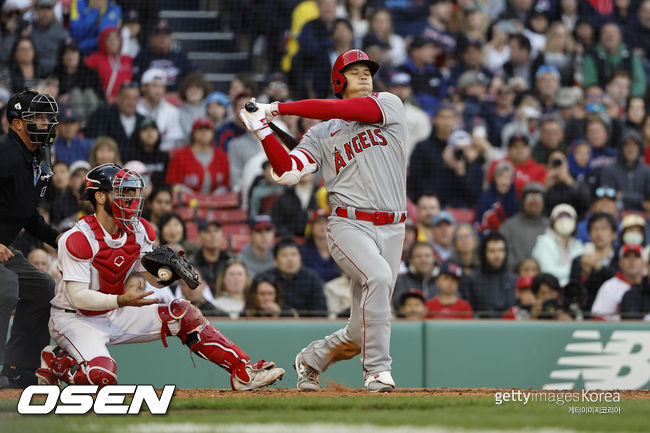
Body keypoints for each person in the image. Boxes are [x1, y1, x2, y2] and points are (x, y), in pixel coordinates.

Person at [239, 49, 407, 392]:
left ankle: (311, 360)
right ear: (338, 81)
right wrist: (264, 132)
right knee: (377, 276)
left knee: (362, 331)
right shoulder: (320, 134)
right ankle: (377, 371)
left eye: (367, 71)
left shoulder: (388, 104)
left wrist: (278, 109)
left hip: (394, 227)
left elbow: (337, 108)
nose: (364, 76)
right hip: (348, 224)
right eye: (355, 71)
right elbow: (286, 172)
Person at [34, 163, 285, 390]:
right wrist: (121, 300)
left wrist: (169, 274)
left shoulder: (140, 228)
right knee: (103, 377)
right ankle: (56, 360)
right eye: (123, 192)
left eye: (133, 192)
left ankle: (243, 371)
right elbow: (78, 298)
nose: (131, 199)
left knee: (183, 313)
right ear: (100, 197)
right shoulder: (76, 239)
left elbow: (152, 277)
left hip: (114, 310)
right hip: (74, 319)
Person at [0, 90, 60, 389]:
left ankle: (17, 368)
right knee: (6, 286)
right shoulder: (5, 154)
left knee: (42, 287)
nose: (46, 122)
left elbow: (28, 215)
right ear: (17, 123)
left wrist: (61, 240)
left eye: (48, 117)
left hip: (5, 250)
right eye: (37, 117)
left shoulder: (38, 156)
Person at [261, 237, 327, 317]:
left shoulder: (312, 278)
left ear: (300, 258)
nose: (290, 259)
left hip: (306, 326)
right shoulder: (267, 279)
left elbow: (321, 312)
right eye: (284, 255)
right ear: (275, 261)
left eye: (294, 254)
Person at [460, 231, 518, 318]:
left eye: (501, 250)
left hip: (511, 328)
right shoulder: (471, 280)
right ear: (484, 253)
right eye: (492, 251)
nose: (497, 255)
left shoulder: (515, 280)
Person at [165, 118, 229, 195]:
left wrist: (211, 199)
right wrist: (195, 198)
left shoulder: (222, 155)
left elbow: (226, 184)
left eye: (207, 130)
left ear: (213, 133)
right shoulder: (180, 155)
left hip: (217, 202)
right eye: (200, 129)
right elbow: (174, 184)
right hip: (187, 202)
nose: (204, 133)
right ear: (193, 134)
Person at [132, 19, 195, 92]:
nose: (162, 38)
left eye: (166, 35)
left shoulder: (181, 57)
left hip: (176, 98)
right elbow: (136, 81)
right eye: (158, 35)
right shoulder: (142, 57)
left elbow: (193, 77)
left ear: (171, 39)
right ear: (151, 39)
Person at [531, 203, 584, 285]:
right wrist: (575, 269)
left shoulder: (578, 244)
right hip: (550, 287)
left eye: (569, 216)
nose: (565, 220)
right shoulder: (544, 241)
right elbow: (548, 271)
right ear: (553, 221)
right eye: (560, 216)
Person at [85, 82, 144, 153]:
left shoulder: (142, 121)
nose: (131, 102)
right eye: (127, 97)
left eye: (135, 98)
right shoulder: (102, 115)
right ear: (118, 98)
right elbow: (95, 142)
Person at [591, 244, 644, 321]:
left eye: (636, 257)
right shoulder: (609, 286)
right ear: (620, 262)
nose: (632, 261)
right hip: (616, 331)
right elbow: (598, 318)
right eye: (627, 257)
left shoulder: (647, 285)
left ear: (643, 262)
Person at [136, 68, 183, 152]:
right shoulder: (134, 108)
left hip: (163, 157)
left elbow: (174, 140)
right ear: (143, 87)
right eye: (154, 86)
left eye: (162, 87)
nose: (159, 91)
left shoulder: (172, 111)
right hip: (137, 154)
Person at [84, 26, 133, 103]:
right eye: (109, 38)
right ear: (103, 41)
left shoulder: (127, 59)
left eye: (116, 38)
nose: (113, 41)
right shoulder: (95, 58)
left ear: (120, 41)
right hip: (104, 101)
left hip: (126, 101)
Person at [191, 220, 233, 294]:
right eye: (207, 231)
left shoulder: (231, 261)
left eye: (216, 231)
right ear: (199, 237)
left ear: (222, 236)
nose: (213, 235)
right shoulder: (191, 262)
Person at [392, 242, 437, 309]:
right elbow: (397, 306)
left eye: (427, 256)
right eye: (418, 256)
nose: (423, 260)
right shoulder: (400, 281)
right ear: (411, 260)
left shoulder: (444, 279)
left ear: (434, 258)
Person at [300, 209, 340, 283]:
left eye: (326, 222)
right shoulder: (304, 252)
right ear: (311, 228)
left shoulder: (339, 250)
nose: (322, 225)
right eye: (318, 222)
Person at [30, 0, 69, 74]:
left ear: (53, 11)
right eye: (42, 8)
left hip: (56, 75)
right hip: (33, 74)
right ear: (36, 10)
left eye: (48, 8)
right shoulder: (29, 31)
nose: (45, 12)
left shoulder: (61, 32)